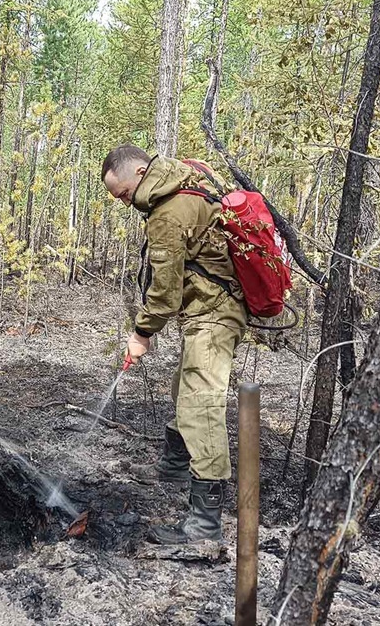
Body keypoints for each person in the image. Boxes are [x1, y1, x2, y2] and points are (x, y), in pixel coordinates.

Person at [101, 144, 247, 544]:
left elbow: (164, 292)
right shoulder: (184, 183)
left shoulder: (167, 213)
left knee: (201, 406)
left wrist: (141, 333)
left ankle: (204, 524)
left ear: (141, 171)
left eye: (125, 193)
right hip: (210, 310)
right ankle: (174, 467)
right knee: (185, 391)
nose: (125, 202)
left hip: (214, 314)